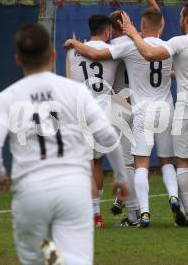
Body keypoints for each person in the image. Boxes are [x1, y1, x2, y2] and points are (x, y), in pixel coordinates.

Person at [0, 24, 129, 264]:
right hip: (73, 191)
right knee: (74, 260)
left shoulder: (6, 97)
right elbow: (109, 136)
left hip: (31, 194)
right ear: (53, 55)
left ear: (18, 59)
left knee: (40, 256)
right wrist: (121, 177)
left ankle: (52, 257)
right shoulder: (75, 92)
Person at [65, 7, 186, 228]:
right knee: (135, 164)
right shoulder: (146, 46)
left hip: (88, 111)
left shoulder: (79, 51)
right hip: (125, 109)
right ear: (108, 31)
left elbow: (88, 60)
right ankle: (137, 212)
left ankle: (99, 214)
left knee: (96, 164)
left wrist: (74, 43)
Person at [119, 3, 188, 228]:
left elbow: (148, 53)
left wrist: (133, 33)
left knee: (184, 162)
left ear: (185, 19)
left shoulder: (179, 41)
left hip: (187, 108)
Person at [67, 13, 120, 229]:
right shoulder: (113, 52)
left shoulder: (73, 51)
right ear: (107, 31)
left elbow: (69, 82)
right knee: (97, 163)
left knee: (86, 165)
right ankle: (94, 210)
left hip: (81, 113)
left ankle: (94, 214)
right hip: (104, 114)